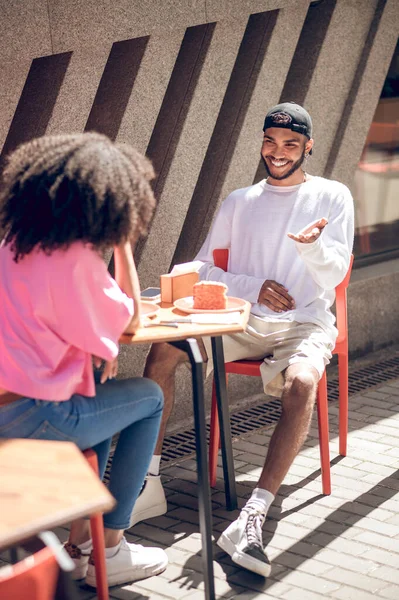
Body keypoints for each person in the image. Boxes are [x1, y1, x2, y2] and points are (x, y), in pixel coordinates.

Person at [132, 102, 355, 576]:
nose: (278, 152)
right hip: (242, 321)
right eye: (271, 142)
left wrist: (312, 245)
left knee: (301, 383)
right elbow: (200, 268)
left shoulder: (333, 197)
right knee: (162, 353)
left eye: (291, 144)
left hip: (304, 323)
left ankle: (253, 513)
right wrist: (253, 288)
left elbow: (335, 272)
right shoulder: (240, 200)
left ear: (308, 147)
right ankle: (146, 484)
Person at [0, 133, 169, 588]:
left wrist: (92, 349)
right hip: (36, 417)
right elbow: (131, 316)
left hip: (7, 411)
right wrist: (124, 241)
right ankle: (110, 549)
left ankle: (80, 544)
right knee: (150, 397)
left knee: (100, 395)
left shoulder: (16, 243)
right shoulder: (74, 260)